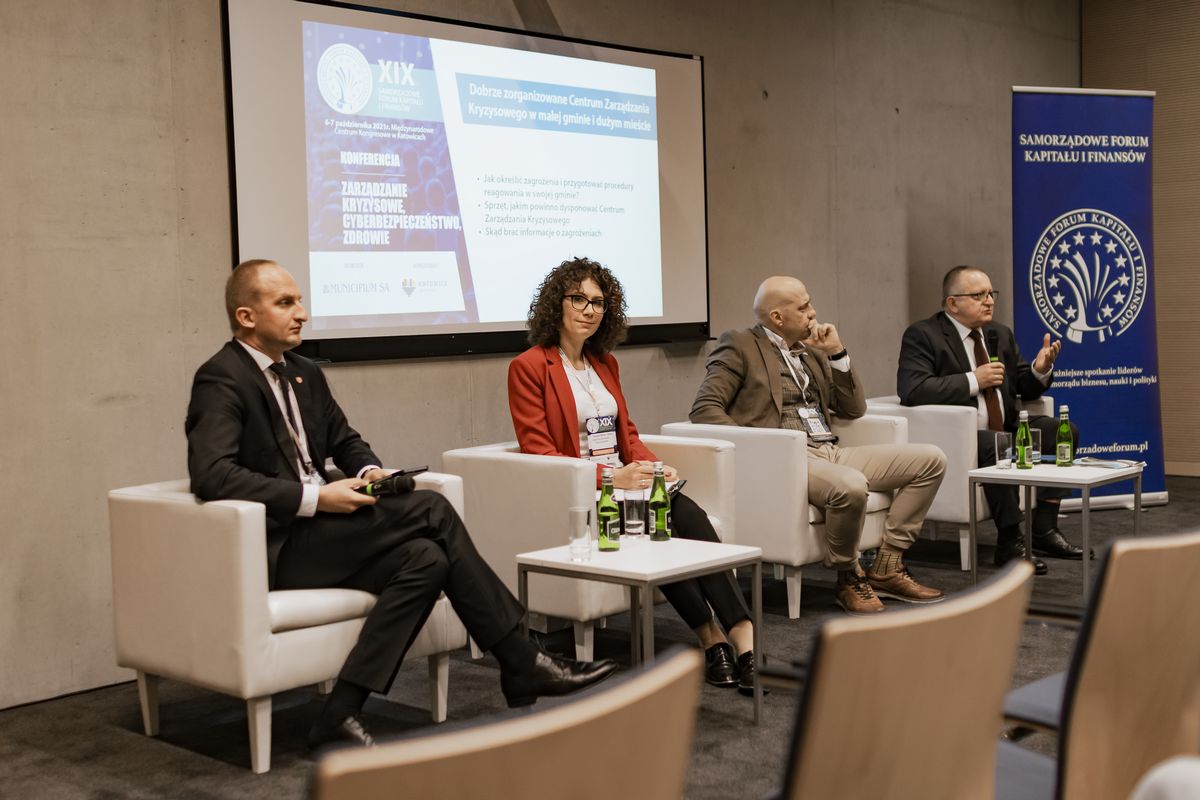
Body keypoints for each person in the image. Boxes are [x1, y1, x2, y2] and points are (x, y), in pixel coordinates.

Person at [185, 260, 617, 750]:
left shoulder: (305, 373)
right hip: (279, 544)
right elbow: (213, 475)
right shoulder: (221, 378)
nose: (301, 313)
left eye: (300, 301)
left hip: (326, 536)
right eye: (285, 303)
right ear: (246, 316)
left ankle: (340, 712)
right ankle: (520, 659)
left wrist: (372, 472)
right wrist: (316, 497)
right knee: (432, 509)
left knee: (427, 559)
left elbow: (345, 441)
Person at [508, 257, 758, 694]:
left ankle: (744, 640)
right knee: (659, 528)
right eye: (578, 299)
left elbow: (627, 434)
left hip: (627, 482)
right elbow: (540, 452)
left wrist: (652, 466)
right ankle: (710, 638)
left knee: (689, 515)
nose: (589, 310)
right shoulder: (529, 367)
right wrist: (611, 479)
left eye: (598, 302)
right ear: (556, 305)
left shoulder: (604, 363)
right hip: (584, 493)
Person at [691, 276, 948, 615]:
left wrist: (837, 354)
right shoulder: (740, 345)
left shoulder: (811, 352)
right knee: (851, 485)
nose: (813, 313)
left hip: (830, 450)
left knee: (931, 460)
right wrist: (763, 449)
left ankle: (887, 564)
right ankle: (848, 574)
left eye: (810, 303)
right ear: (777, 317)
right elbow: (705, 409)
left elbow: (853, 409)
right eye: (803, 307)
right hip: (788, 459)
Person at [897, 265, 1084, 576]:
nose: (989, 301)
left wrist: (1039, 369)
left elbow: (1023, 386)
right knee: (997, 444)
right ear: (952, 303)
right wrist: (974, 380)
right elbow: (912, 389)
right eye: (978, 295)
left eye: (990, 293)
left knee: (1062, 431)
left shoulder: (999, 334)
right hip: (957, 439)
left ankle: (1044, 530)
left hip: (1006, 428)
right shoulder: (924, 335)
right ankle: (1009, 541)